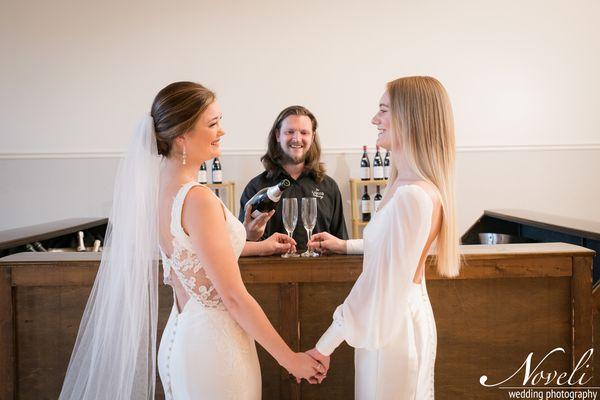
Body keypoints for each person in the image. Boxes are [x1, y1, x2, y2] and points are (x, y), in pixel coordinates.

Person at [59, 82, 325, 400]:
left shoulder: (158, 189)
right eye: (212, 124)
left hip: (181, 332)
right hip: (215, 346)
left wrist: (248, 237)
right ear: (182, 136)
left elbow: (194, 254)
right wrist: (290, 360)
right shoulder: (198, 198)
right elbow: (233, 297)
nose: (222, 131)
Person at [305, 76, 461, 399]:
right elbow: (393, 247)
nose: (374, 120)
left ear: (410, 117)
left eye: (383, 110)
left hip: (391, 331)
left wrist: (326, 344)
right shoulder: (405, 186)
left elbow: (378, 280)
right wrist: (344, 245)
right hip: (395, 321)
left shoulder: (412, 196)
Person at [239, 106, 348, 251]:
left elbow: (341, 242)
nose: (297, 139)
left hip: (321, 272)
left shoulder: (329, 187)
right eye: (290, 132)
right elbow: (239, 245)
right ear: (278, 135)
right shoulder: (256, 187)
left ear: (312, 137)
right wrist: (250, 236)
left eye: (304, 132)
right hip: (270, 272)